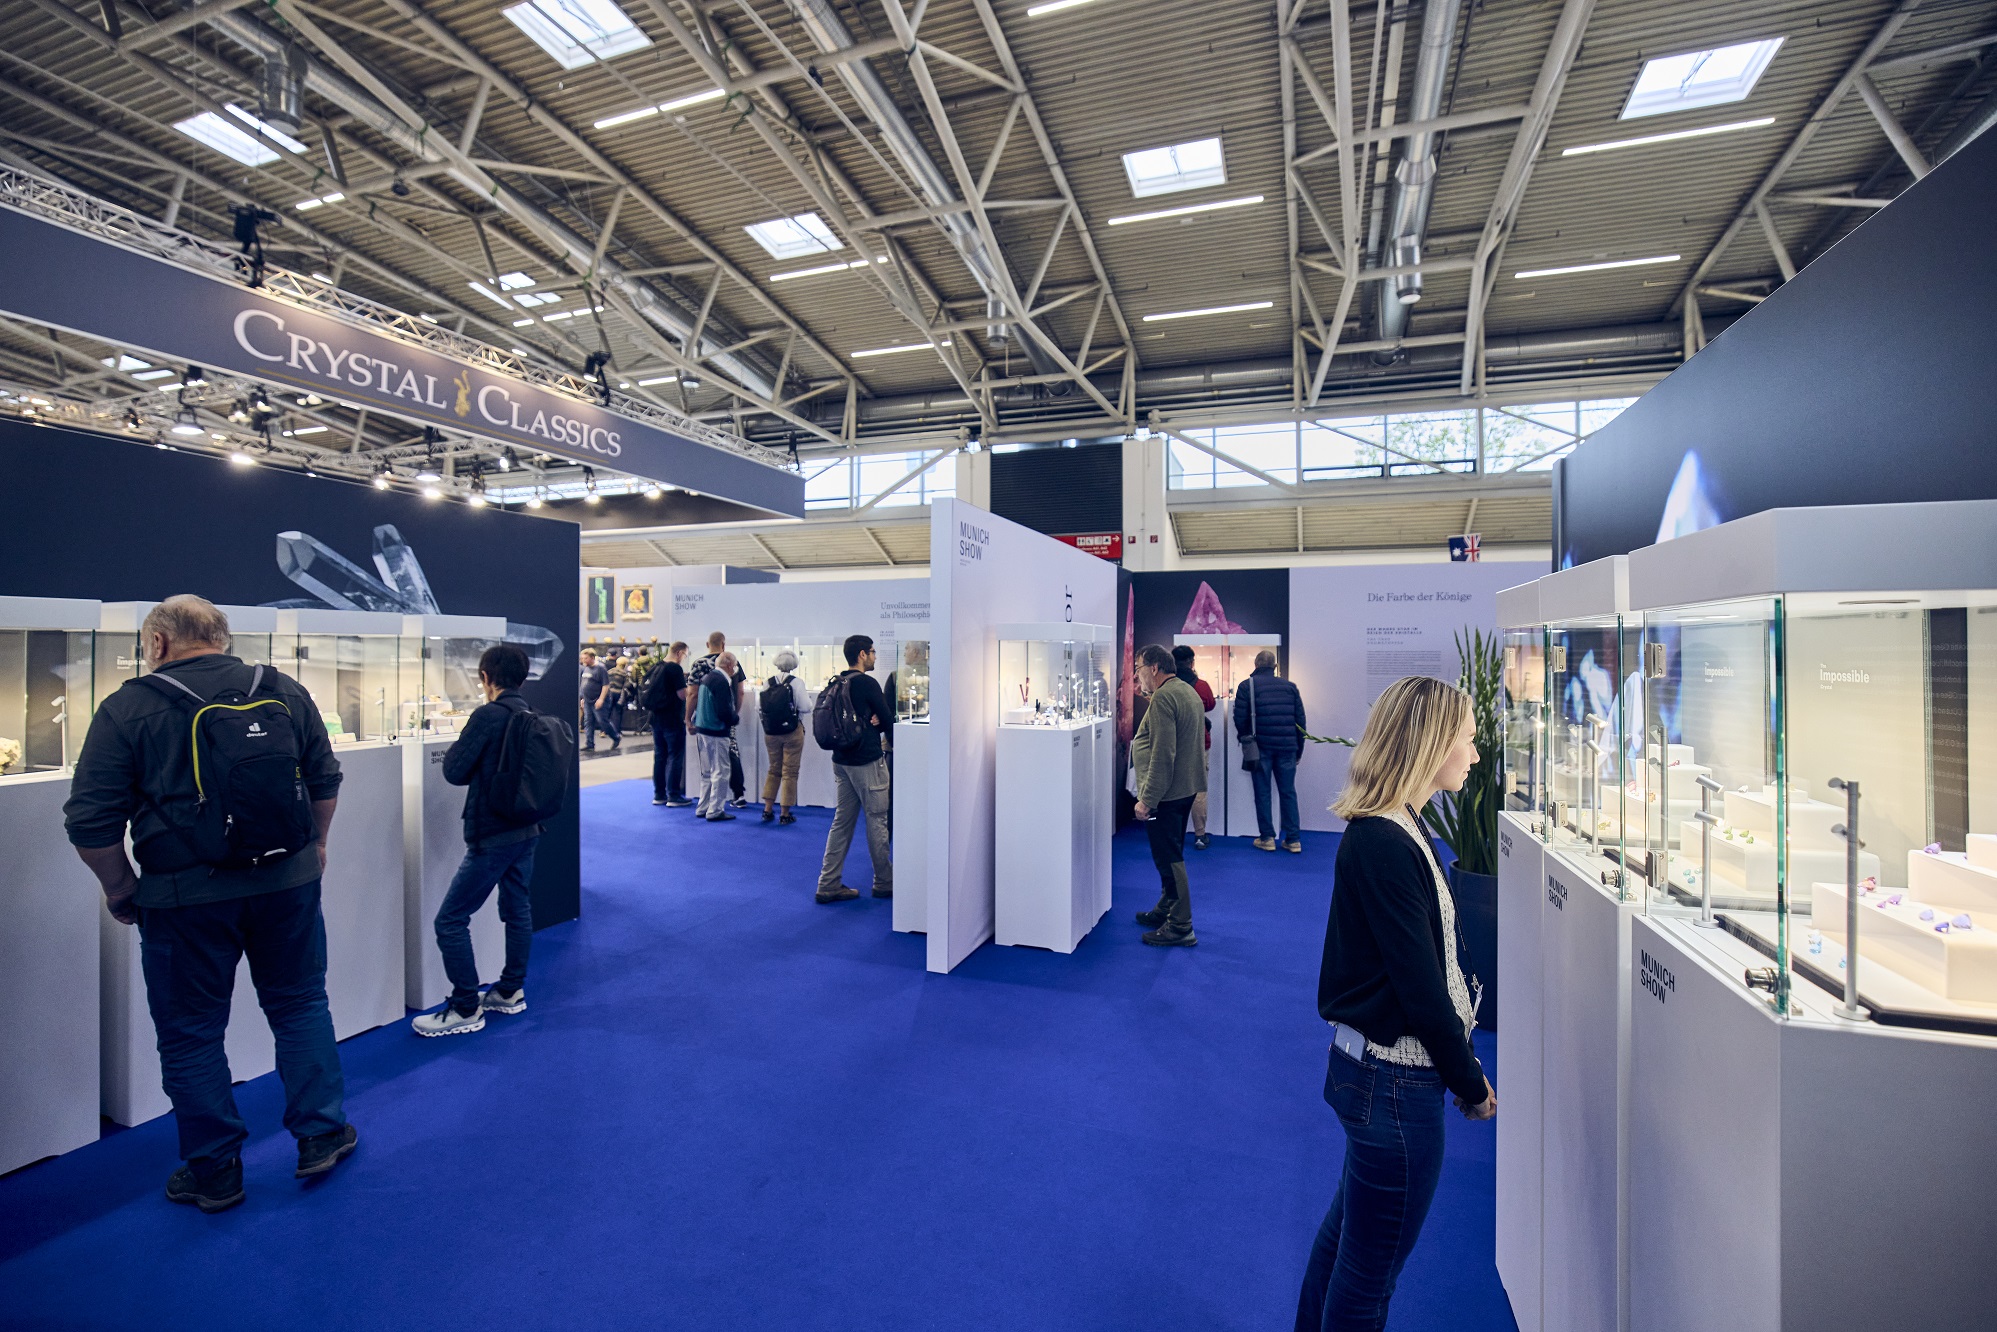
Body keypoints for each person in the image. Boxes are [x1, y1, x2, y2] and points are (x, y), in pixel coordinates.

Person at [64, 595, 355, 1213]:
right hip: (288, 883)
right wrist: (319, 844)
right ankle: (322, 1133)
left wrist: (120, 888)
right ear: (222, 638)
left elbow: (89, 822)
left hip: (183, 896)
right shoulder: (283, 689)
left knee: (191, 1032)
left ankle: (215, 1170)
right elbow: (324, 780)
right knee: (300, 1003)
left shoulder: (127, 707)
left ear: (158, 643)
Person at [1295, 675, 1495, 1332]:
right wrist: (1469, 1082)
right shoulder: (1386, 839)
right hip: (1393, 1084)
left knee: (1349, 1245)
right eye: (1467, 739)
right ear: (1430, 742)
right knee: (1367, 1278)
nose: (1475, 753)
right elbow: (1422, 989)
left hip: (1376, 1077)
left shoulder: (1399, 825)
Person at [412, 643, 548, 1037]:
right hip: (528, 828)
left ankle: (466, 1006)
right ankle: (509, 990)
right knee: (517, 910)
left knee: (450, 920)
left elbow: (454, 770)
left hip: (493, 834)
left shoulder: (487, 716)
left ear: (485, 677)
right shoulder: (531, 714)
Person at [1130, 643, 1206, 946]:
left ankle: (1181, 925)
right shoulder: (1186, 691)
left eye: (1138, 669)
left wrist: (1147, 798)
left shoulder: (1163, 698)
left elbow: (1163, 754)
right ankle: (1166, 908)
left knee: (1168, 857)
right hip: (1184, 788)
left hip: (1167, 794)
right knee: (1170, 853)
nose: (1137, 676)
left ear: (1154, 668)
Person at [814, 634, 893, 904]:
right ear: (862, 654)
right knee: (877, 819)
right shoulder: (867, 684)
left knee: (842, 822)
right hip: (867, 761)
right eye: (872, 652)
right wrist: (878, 723)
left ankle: (828, 882)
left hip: (841, 761)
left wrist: (875, 720)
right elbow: (887, 719)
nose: (874, 656)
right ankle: (884, 881)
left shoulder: (837, 682)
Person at [1235, 649, 1307, 853]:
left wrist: (1245, 739)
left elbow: (1239, 719)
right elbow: (1300, 721)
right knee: (1288, 793)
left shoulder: (1246, 686)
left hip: (1260, 748)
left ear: (1256, 665)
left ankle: (1267, 838)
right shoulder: (1290, 687)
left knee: (1263, 793)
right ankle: (1293, 840)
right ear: (1275, 667)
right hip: (1287, 748)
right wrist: (1299, 749)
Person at [687, 632, 749, 809]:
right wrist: (733, 714)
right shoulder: (732, 663)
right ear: (724, 644)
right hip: (723, 721)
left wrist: (688, 718)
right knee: (730, 756)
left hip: (704, 719)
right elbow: (740, 692)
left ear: (708, 644)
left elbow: (692, 694)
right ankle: (737, 794)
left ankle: (705, 804)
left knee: (708, 765)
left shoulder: (699, 664)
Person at [1171, 645, 1217, 850]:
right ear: (1191, 662)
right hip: (1199, 742)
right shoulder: (1201, 686)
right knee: (1198, 790)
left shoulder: (1167, 686)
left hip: (1173, 743)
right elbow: (1211, 704)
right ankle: (1200, 835)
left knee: (1173, 790)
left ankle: (1174, 834)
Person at [759, 648, 808, 824]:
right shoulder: (797, 683)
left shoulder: (768, 682)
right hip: (792, 731)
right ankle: (785, 813)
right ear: (794, 664)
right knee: (790, 772)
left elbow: (760, 707)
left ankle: (767, 809)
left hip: (771, 732)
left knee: (774, 769)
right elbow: (806, 706)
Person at [691, 649, 741, 822]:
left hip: (703, 729)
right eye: (735, 665)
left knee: (706, 772)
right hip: (716, 731)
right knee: (721, 771)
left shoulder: (708, 678)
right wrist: (734, 719)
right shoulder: (721, 682)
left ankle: (703, 807)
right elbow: (724, 711)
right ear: (729, 665)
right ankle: (715, 810)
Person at [644, 642, 692, 807]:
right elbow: (682, 695)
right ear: (679, 653)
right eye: (685, 655)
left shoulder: (657, 666)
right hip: (672, 718)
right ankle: (674, 795)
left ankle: (659, 794)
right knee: (675, 755)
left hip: (656, 717)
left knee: (660, 756)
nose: (684, 658)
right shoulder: (674, 669)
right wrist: (690, 690)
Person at [598, 654, 633, 753]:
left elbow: (604, 682)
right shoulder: (624, 674)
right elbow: (627, 685)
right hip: (618, 694)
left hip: (609, 693)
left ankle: (603, 731)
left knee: (607, 712)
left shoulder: (610, 671)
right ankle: (616, 731)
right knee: (617, 713)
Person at [578, 648, 611, 752]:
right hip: (587, 700)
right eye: (582, 658)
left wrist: (601, 699)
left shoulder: (600, 668)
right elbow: (584, 684)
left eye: (585, 658)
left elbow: (605, 685)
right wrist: (583, 698)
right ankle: (589, 743)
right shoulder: (586, 668)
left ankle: (615, 736)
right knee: (588, 722)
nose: (583, 660)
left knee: (602, 721)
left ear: (592, 658)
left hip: (598, 700)